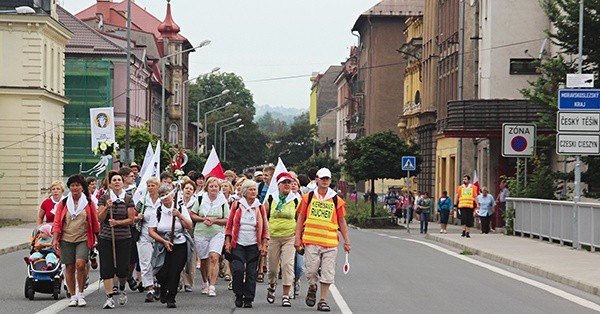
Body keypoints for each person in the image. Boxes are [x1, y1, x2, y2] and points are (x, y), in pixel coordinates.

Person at [294, 167, 351, 312]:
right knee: (311, 270)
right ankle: (312, 286)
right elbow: (300, 218)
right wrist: (297, 238)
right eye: (322, 178)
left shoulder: (335, 199)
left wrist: (346, 241)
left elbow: (341, 221)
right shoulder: (308, 197)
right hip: (311, 240)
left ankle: (323, 300)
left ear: (330, 181)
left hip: (330, 242)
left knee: (327, 272)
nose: (325, 181)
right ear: (317, 180)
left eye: (328, 179)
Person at [52, 174, 100, 307]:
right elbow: (57, 222)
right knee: (69, 266)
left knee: (80, 264)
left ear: (82, 188)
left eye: (77, 185)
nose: (75, 188)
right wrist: (55, 238)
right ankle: (73, 295)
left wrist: (97, 235)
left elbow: (94, 221)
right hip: (66, 238)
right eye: (72, 185)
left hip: (83, 238)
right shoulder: (63, 203)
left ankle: (81, 293)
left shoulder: (88, 202)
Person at [224, 180, 269, 308]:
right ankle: (238, 294)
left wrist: (264, 243)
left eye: (255, 189)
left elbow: (265, 227)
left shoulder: (259, 206)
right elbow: (229, 225)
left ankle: (248, 298)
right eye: (250, 189)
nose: (253, 192)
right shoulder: (237, 205)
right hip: (238, 243)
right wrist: (227, 241)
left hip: (254, 244)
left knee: (251, 272)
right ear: (244, 192)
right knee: (238, 270)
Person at [149, 183, 194, 308]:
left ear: (172, 195)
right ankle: (163, 288)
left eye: (167, 194)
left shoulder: (180, 208)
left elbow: (189, 226)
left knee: (175, 271)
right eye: (162, 195)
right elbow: (151, 230)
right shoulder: (157, 211)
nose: (165, 198)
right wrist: (163, 241)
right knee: (161, 272)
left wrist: (179, 216)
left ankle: (171, 297)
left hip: (180, 244)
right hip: (163, 244)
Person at [97, 170, 137, 309]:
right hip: (106, 237)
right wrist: (107, 207)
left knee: (122, 268)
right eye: (114, 180)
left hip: (124, 237)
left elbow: (131, 220)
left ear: (122, 182)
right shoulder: (104, 198)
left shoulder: (127, 198)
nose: (117, 182)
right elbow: (99, 218)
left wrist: (118, 223)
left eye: (119, 180)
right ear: (110, 183)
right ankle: (109, 297)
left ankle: (121, 287)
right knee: (107, 268)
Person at [264, 172, 300, 307]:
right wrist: (264, 236)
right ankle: (272, 286)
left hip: (289, 237)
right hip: (273, 237)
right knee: (273, 268)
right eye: (284, 182)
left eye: (289, 183)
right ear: (278, 184)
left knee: (287, 265)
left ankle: (286, 295)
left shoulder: (296, 199)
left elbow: (299, 219)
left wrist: (298, 237)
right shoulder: (271, 199)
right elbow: (264, 217)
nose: (287, 185)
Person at [190, 177, 229, 297]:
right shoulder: (201, 199)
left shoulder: (223, 202)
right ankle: (204, 282)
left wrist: (214, 221)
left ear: (219, 188)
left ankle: (212, 285)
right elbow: (192, 214)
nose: (213, 188)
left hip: (217, 232)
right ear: (207, 188)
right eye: (211, 186)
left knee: (214, 257)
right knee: (204, 260)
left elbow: (227, 219)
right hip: (201, 232)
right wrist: (203, 219)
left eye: (216, 186)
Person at [134, 177, 161, 303]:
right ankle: (148, 287)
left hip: (160, 234)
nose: (150, 188)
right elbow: (133, 215)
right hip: (144, 234)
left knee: (158, 261)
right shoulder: (143, 201)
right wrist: (137, 217)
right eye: (148, 186)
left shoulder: (162, 200)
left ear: (158, 186)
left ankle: (158, 283)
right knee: (145, 261)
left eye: (152, 185)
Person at [119, 167, 140, 292]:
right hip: (118, 226)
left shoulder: (136, 190)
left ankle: (128, 274)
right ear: (124, 178)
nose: (133, 178)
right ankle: (116, 283)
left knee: (132, 255)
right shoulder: (117, 191)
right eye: (131, 176)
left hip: (132, 226)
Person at [179, 180, 199, 293]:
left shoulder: (196, 202)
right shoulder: (177, 201)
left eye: (191, 189)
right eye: (186, 188)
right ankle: (178, 280)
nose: (188, 190)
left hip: (191, 232)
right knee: (179, 257)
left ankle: (188, 282)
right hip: (179, 231)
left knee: (191, 257)